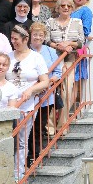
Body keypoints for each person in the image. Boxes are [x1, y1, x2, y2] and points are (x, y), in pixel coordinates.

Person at [7, 25, 49, 181]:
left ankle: (18, 174)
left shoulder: (36, 57)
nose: (13, 42)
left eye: (16, 39)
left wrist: (31, 90)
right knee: (8, 138)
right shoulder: (8, 56)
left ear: (25, 39)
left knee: (22, 140)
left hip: (26, 105)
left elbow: (45, 82)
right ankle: (6, 171)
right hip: (8, 104)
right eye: (12, 38)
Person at [45, 0, 85, 136]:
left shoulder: (77, 22)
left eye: (68, 6)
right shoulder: (50, 22)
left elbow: (81, 41)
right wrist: (58, 46)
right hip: (53, 61)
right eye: (63, 6)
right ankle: (49, 126)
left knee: (66, 92)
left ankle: (62, 125)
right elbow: (46, 40)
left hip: (69, 59)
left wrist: (69, 44)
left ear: (72, 8)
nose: (66, 8)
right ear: (58, 7)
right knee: (50, 92)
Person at [29, 22, 62, 165]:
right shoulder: (26, 51)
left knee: (39, 124)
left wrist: (47, 82)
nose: (37, 37)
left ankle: (36, 154)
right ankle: (29, 153)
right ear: (30, 36)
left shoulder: (50, 51)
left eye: (40, 35)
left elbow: (58, 73)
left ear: (44, 37)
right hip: (29, 96)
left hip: (46, 95)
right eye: (35, 34)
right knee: (28, 125)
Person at [70, 0, 93, 103]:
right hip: (63, 48)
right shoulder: (68, 8)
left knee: (74, 81)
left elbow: (85, 31)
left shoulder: (85, 11)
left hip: (76, 48)